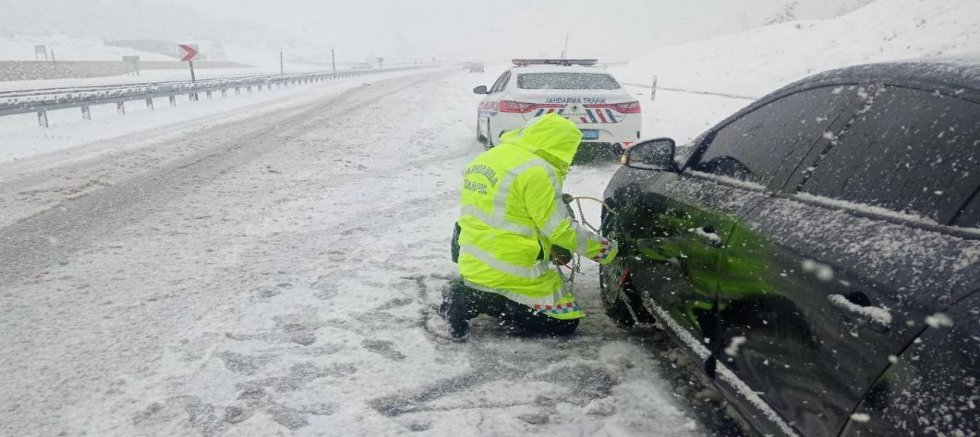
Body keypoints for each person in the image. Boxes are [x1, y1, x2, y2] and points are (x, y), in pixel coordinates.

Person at [445, 113, 618, 340]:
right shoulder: (539, 171)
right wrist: (608, 251)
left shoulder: (490, 157)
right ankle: (484, 300)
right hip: (513, 270)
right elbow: (560, 230)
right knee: (564, 322)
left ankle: (472, 293)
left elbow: (506, 209)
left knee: (496, 283)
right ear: (561, 145)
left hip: (473, 261)